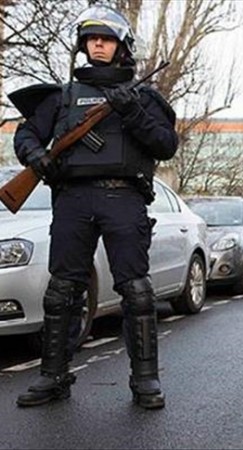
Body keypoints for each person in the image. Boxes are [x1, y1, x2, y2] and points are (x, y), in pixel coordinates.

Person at [13, 5, 178, 409]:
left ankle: (145, 381)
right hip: (72, 200)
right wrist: (36, 157)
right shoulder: (64, 97)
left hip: (123, 198)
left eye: (105, 39)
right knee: (61, 292)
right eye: (91, 39)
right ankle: (53, 376)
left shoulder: (143, 98)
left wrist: (132, 111)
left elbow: (166, 145)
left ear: (122, 45)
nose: (97, 45)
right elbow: (26, 134)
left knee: (136, 292)